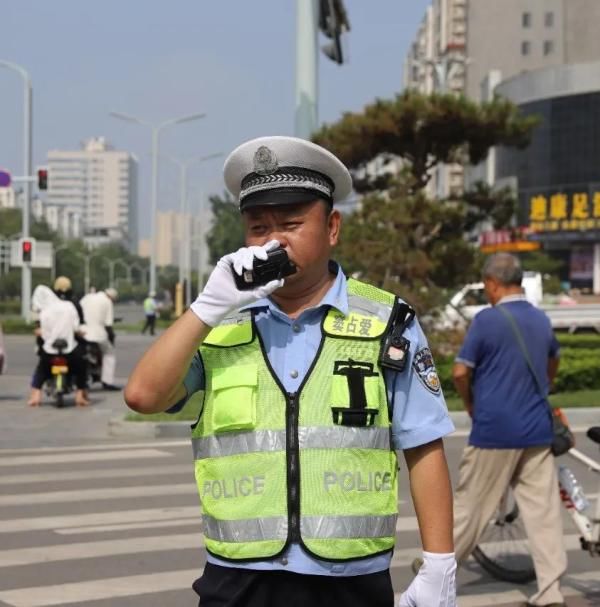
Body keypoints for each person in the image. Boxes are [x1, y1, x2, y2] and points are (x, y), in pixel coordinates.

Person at [125, 136, 457, 607]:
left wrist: (440, 562)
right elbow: (142, 396)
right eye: (258, 227)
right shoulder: (219, 324)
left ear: (333, 227)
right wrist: (207, 307)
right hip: (239, 580)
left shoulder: (388, 322)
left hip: (350, 581)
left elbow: (423, 443)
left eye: (292, 223)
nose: (273, 240)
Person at [452, 253, 566, 607]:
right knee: (544, 514)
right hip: (535, 431)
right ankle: (551, 592)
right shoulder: (540, 319)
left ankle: (435, 567)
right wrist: (540, 391)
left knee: (470, 505)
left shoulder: (487, 320)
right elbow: (553, 362)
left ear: (491, 283)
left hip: (495, 430)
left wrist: (471, 404)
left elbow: (459, 372)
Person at [28, 276, 89, 407]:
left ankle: (35, 396)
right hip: (70, 348)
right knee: (81, 366)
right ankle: (80, 396)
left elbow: (42, 330)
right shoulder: (71, 305)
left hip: (49, 348)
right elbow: (77, 327)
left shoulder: (45, 310)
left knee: (42, 368)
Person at [80, 287, 120, 391]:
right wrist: (111, 337)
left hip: (82, 332)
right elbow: (108, 324)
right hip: (98, 334)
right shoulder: (107, 302)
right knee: (109, 354)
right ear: (112, 297)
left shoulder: (87, 297)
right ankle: (107, 381)